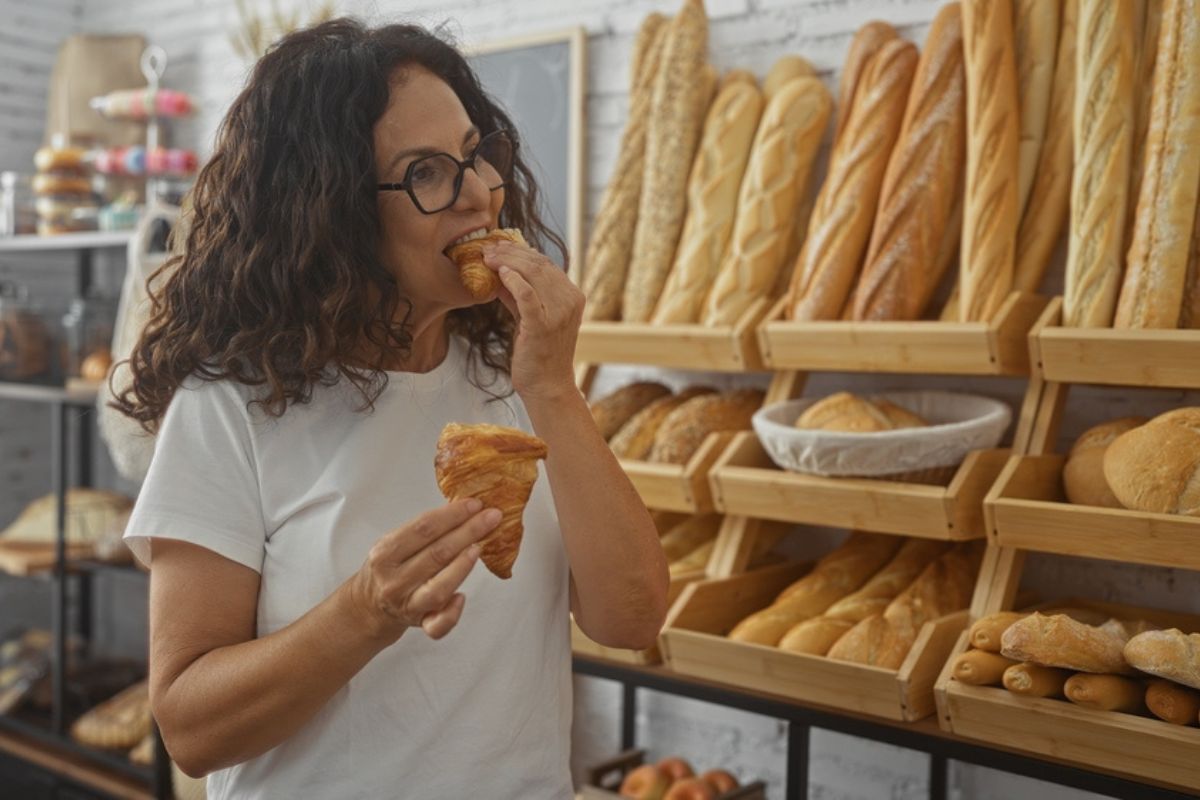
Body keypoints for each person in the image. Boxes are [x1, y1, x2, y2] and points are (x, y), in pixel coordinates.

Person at [115, 18, 668, 799]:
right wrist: (367, 612)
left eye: (476, 153)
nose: (479, 192)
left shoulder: (515, 375)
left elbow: (631, 619)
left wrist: (553, 387)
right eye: (427, 173)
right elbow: (192, 729)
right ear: (329, 213)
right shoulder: (230, 406)